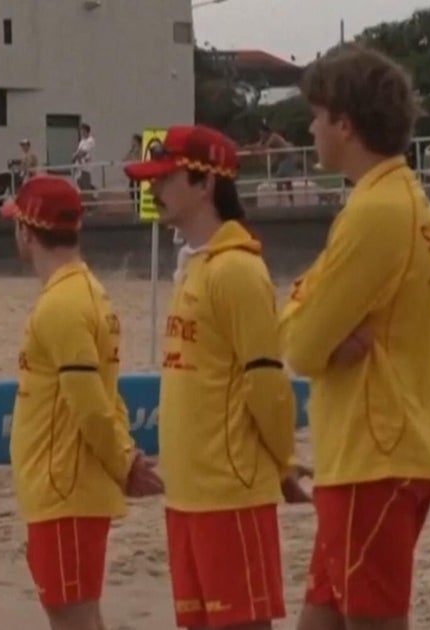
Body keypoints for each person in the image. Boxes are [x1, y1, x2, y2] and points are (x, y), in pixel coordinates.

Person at [281, 44, 430, 630]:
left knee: (371, 619)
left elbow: (301, 346)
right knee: (321, 619)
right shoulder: (403, 199)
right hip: (380, 447)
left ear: (344, 124)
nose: (311, 126)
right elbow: (309, 327)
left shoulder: (375, 212)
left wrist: (304, 315)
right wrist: (310, 317)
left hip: (374, 453)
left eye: (317, 115)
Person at [124, 124, 305, 630]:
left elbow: (266, 382)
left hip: (229, 492)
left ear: (206, 184)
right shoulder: (197, 268)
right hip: (187, 492)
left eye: (166, 178)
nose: (155, 189)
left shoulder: (238, 271)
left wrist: (283, 461)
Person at [1, 176, 164, 630]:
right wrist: (123, 456)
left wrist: (123, 462)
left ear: (26, 232)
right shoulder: (90, 292)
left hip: (62, 484)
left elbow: (89, 402)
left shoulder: (62, 304)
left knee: (70, 616)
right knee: (81, 614)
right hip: (69, 484)